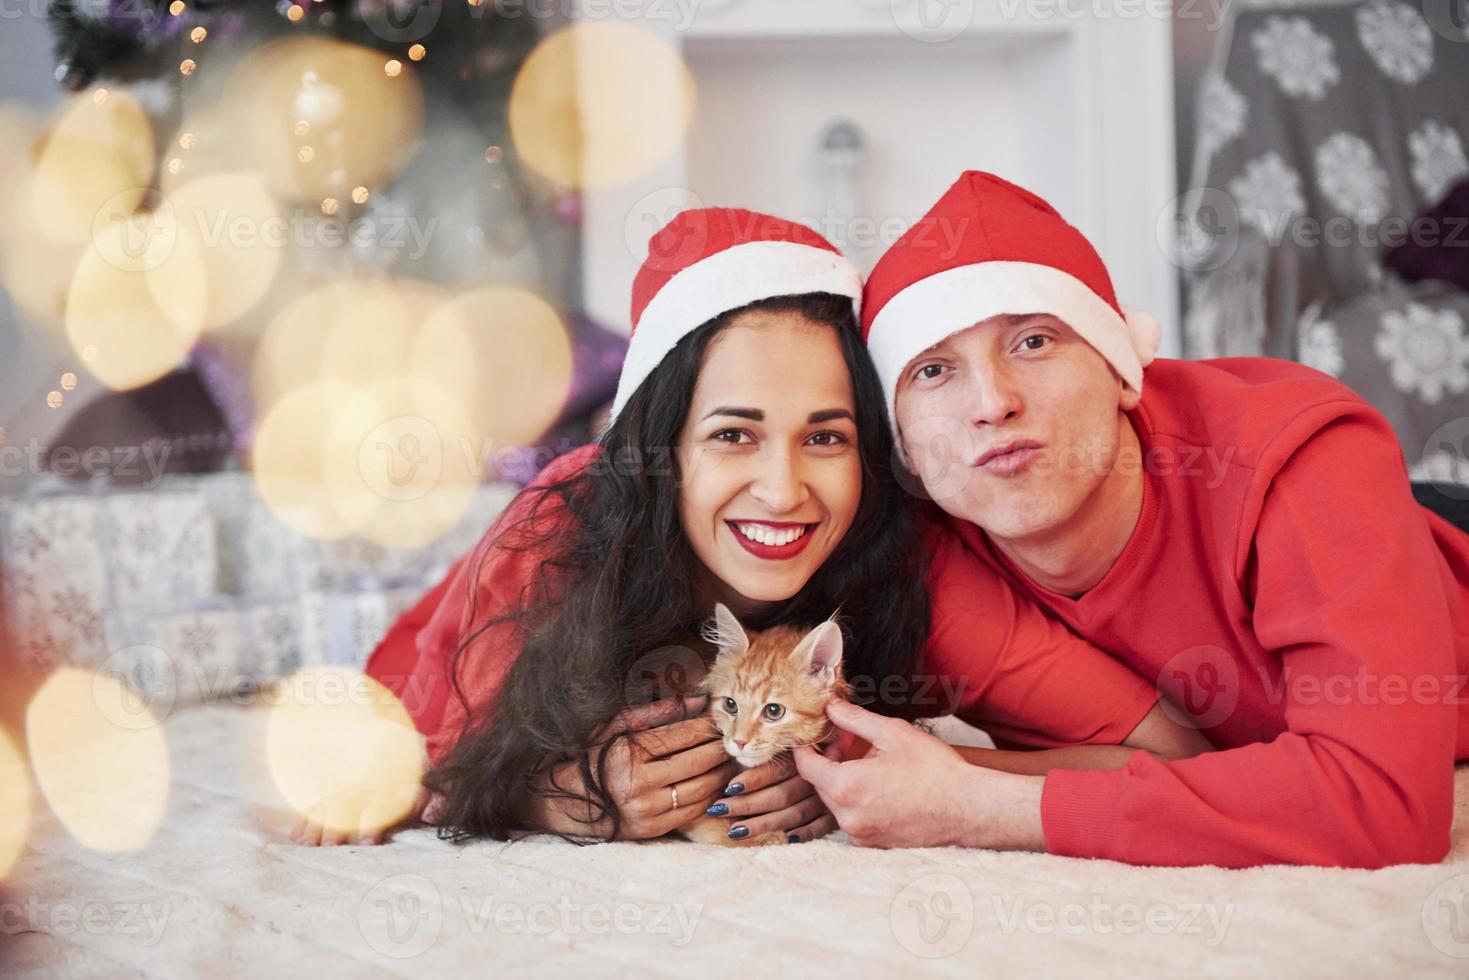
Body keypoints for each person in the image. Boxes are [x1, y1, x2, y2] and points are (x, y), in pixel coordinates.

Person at [295, 206, 1210, 847]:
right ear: (663, 448)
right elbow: (419, 763)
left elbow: (1163, 750)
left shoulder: (913, 565)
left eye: (825, 436)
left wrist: (921, 769)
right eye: (733, 434)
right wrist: (554, 797)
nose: (782, 490)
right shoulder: (560, 535)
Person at [794, 170, 1469, 869]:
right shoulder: (913, 555)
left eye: (1032, 342)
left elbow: (1383, 805)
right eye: (932, 370)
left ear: (1123, 371)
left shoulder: (1298, 457)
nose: (992, 403)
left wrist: (983, 808)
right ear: (900, 440)